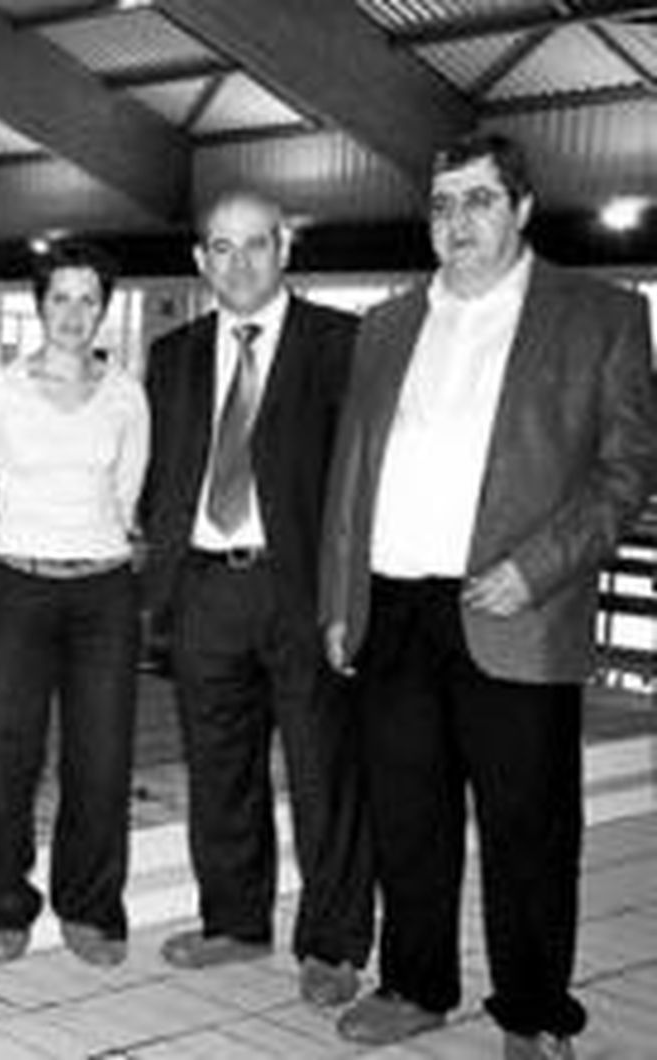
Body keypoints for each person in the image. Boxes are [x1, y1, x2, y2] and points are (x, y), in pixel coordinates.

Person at [320, 132, 657, 1058]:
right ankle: (416, 983)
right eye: (441, 204)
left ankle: (535, 1011)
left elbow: (627, 471)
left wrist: (538, 566)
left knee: (530, 833)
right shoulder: (387, 326)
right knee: (407, 819)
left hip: (515, 610)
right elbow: (353, 477)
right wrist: (341, 601)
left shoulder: (600, 315)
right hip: (395, 609)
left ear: (522, 208)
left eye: (476, 201)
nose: (456, 221)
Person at [141, 189, 373, 1007]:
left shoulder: (342, 344)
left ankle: (334, 944)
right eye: (220, 248)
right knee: (219, 771)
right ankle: (235, 922)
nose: (237, 263)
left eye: (254, 245)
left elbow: (362, 484)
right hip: (206, 586)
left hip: (300, 589)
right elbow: (161, 476)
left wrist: (351, 597)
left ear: (285, 250)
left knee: (323, 773)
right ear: (200, 261)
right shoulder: (173, 354)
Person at [0, 239, 148, 967]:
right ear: (40, 305)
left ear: (104, 307)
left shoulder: (128, 394)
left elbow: (126, 493)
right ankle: (1, 903)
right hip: (16, 585)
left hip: (103, 590)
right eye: (59, 297)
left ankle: (91, 907)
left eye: (87, 298)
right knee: (5, 752)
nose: (73, 313)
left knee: (101, 757)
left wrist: (94, 548)